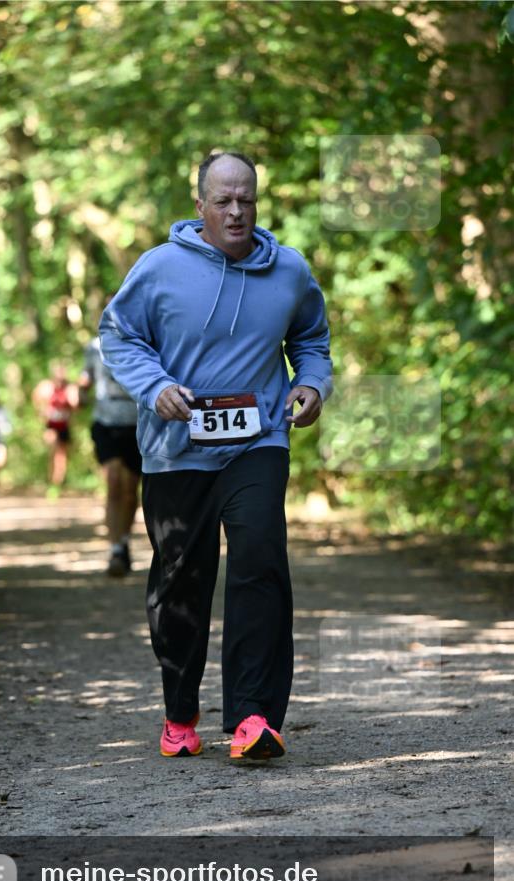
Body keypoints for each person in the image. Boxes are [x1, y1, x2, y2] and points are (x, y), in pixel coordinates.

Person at [99, 151, 333, 761]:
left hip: (258, 440)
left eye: (246, 199)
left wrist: (310, 385)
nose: (236, 211)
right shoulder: (158, 269)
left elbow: (312, 340)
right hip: (177, 448)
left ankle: (254, 717)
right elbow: (118, 336)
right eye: (223, 200)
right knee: (181, 580)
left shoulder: (289, 271)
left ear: (258, 202)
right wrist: (155, 388)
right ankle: (180, 709)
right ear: (199, 204)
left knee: (259, 557)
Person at [79, 314, 142, 577]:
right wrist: (80, 390)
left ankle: (125, 540)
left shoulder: (143, 343)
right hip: (105, 423)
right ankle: (115, 547)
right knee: (114, 482)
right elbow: (87, 377)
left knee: (129, 490)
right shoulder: (94, 347)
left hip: (137, 425)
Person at [32, 363, 79, 499]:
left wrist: (72, 407)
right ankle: (52, 482)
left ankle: (57, 484)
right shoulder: (46, 386)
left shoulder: (70, 388)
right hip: (51, 425)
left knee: (62, 457)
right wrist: (41, 412)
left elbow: (76, 405)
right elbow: (35, 396)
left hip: (64, 426)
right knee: (54, 452)